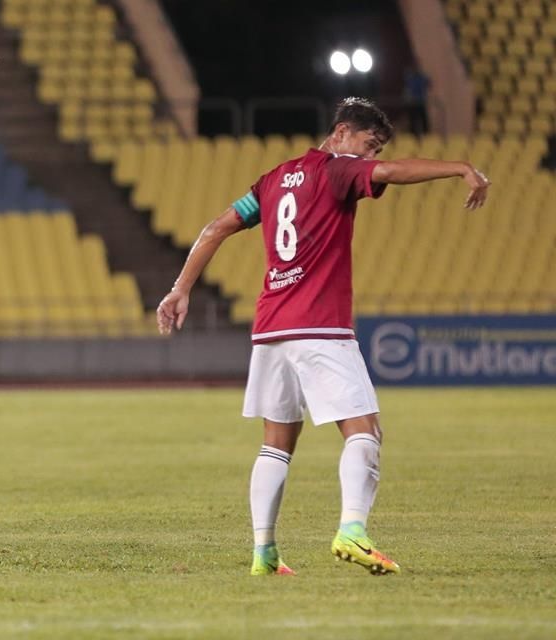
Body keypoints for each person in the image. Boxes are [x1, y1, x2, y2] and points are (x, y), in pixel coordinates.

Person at [156, 97, 490, 575]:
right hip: (319, 326)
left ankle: (264, 554)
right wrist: (460, 168)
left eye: (375, 150)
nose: (370, 157)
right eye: (369, 144)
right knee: (365, 431)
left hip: (271, 328)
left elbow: (215, 228)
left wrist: (180, 289)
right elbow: (392, 173)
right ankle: (352, 530)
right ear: (341, 132)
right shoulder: (337, 170)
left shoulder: (272, 181)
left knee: (276, 443)